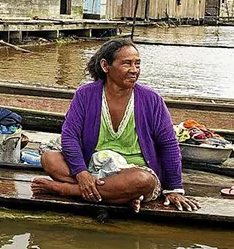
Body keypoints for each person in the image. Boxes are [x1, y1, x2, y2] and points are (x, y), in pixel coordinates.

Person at [32, 38, 199, 212]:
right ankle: (119, 196)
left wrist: (174, 188)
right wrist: (81, 173)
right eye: (127, 64)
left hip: (132, 172)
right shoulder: (85, 94)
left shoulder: (151, 99)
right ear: (106, 66)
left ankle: (67, 190)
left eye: (137, 64)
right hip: (94, 167)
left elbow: (169, 144)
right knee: (49, 158)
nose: (134, 70)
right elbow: (70, 135)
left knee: (143, 180)